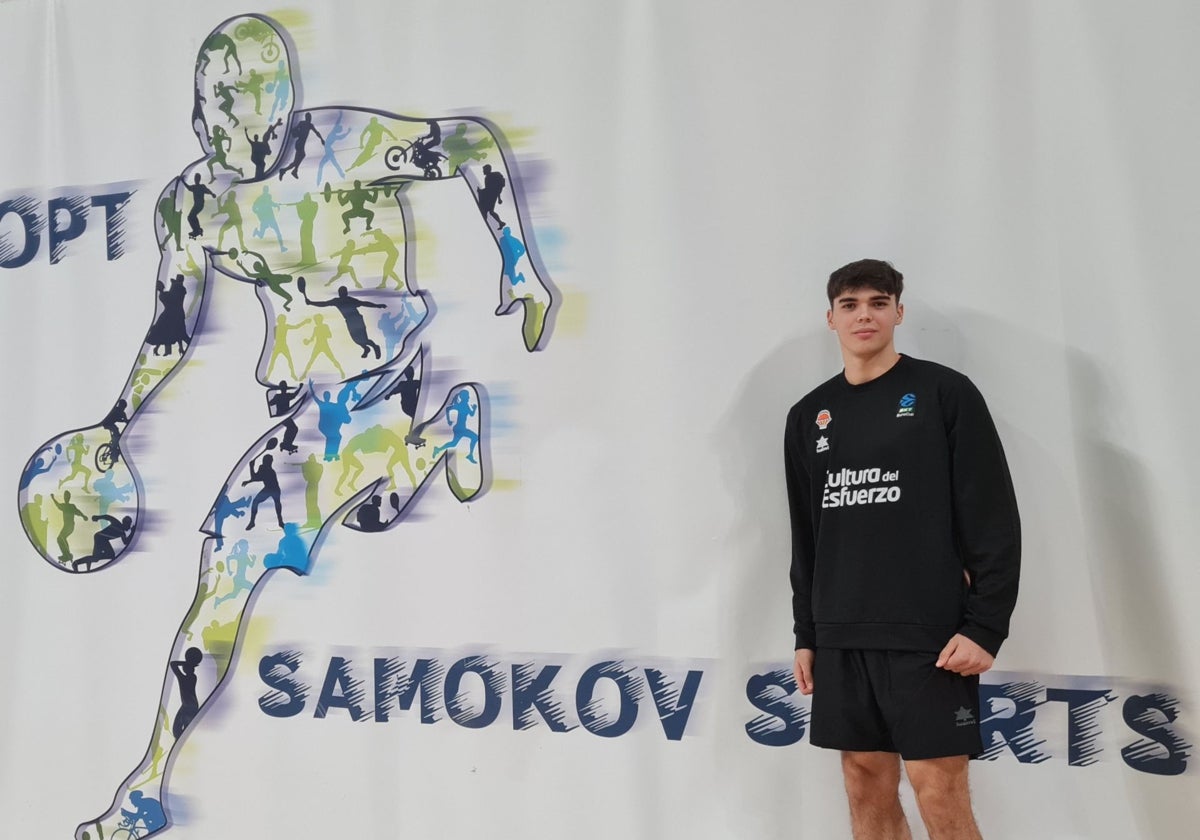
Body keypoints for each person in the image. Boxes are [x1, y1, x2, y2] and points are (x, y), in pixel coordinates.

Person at [784, 259, 1020, 840]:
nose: (864, 314)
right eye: (850, 304)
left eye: (877, 301)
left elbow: (992, 518)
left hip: (929, 634)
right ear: (831, 317)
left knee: (938, 790)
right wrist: (807, 633)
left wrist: (986, 625)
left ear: (898, 312)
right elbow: (806, 535)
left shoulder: (944, 394)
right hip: (842, 632)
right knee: (864, 782)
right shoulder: (807, 415)